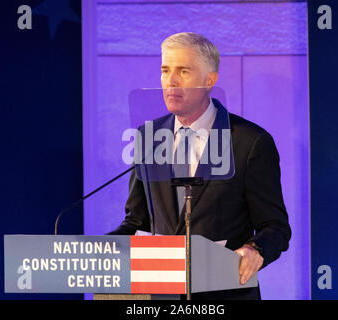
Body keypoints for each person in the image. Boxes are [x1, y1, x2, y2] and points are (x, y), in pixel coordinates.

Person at [108, 32, 291, 300]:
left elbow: (275, 227)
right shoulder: (148, 137)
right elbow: (138, 220)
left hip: (225, 294)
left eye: (183, 71)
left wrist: (256, 249)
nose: (170, 81)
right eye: (165, 70)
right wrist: (101, 251)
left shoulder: (250, 142)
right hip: (161, 296)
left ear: (209, 81)